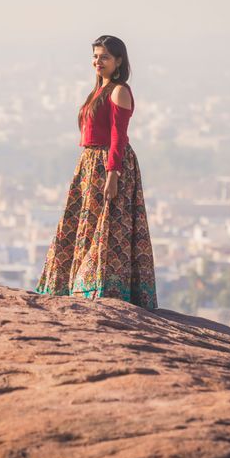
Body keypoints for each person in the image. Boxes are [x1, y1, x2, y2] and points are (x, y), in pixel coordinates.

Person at [34, 35, 157, 310]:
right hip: (90, 164)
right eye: (95, 56)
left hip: (109, 164)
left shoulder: (118, 91)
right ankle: (76, 285)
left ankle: (105, 289)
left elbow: (118, 136)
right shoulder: (97, 91)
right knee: (85, 225)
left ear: (119, 61)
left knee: (108, 227)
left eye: (104, 57)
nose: (97, 62)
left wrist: (113, 174)